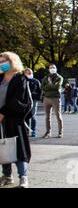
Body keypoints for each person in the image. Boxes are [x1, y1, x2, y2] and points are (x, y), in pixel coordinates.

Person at [0, 52, 32, 188]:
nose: (1, 64)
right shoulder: (0, 78)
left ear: (12, 62)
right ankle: (7, 176)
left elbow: (19, 100)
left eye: (4, 61)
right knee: (2, 148)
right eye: (0, 62)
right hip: (0, 119)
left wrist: (3, 113)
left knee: (19, 149)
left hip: (14, 119)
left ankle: (23, 178)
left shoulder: (20, 79)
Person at [41, 64, 64, 138]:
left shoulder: (59, 77)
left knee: (58, 116)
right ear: (48, 69)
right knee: (47, 117)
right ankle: (48, 132)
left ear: (56, 69)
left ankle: (60, 132)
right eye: (51, 68)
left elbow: (57, 87)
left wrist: (49, 85)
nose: (52, 69)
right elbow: (42, 87)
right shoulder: (46, 77)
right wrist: (51, 85)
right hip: (46, 98)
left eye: (53, 67)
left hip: (55, 98)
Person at [24, 68, 41, 137]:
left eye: (30, 72)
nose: (29, 74)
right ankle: (26, 131)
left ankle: (33, 130)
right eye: (27, 73)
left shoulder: (36, 81)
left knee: (33, 116)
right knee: (26, 116)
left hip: (33, 100)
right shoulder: (23, 81)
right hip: (25, 100)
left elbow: (40, 90)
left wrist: (37, 98)